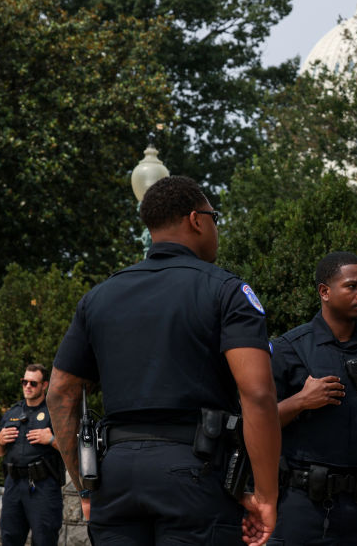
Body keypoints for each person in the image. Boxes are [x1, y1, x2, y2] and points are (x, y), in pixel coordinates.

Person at [48, 175, 280, 546]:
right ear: (196, 219)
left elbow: (60, 393)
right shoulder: (226, 290)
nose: (216, 228)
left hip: (117, 473)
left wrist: (86, 484)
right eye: (214, 216)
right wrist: (265, 496)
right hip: (194, 472)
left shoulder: (99, 297)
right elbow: (257, 394)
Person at [269, 251, 357, 546]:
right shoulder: (289, 349)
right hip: (304, 507)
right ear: (325, 292)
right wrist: (301, 401)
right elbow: (256, 423)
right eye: (353, 286)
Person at [0, 364, 65, 546]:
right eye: (24, 382)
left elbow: (72, 448)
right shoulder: (12, 413)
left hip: (43, 486)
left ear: (44, 385)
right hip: (14, 485)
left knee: (44, 539)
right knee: (9, 538)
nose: (27, 386)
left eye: (33, 383)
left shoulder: (54, 412)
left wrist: (52, 439)